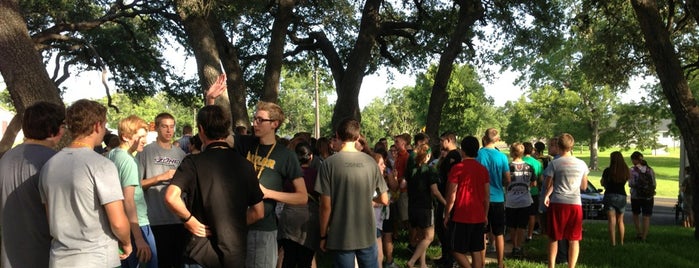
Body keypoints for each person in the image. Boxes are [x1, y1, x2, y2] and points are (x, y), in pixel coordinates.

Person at [164, 105, 265, 267]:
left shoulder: (193, 162)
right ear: (227, 129)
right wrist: (232, 224)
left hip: (200, 252)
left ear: (201, 130)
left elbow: (171, 196)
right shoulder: (245, 165)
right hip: (234, 252)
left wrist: (189, 220)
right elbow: (258, 212)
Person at [39, 99, 132, 266]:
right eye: (104, 125)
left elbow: (49, 217)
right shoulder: (102, 165)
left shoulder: (49, 165)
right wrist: (127, 242)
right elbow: (118, 221)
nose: (104, 131)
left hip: (59, 259)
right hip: (97, 258)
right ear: (97, 126)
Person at [315, 118, 389, 268]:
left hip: (340, 234)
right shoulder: (370, 162)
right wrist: (368, 201)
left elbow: (325, 206)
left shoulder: (328, 164)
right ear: (357, 137)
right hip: (367, 233)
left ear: (337, 135)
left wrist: (323, 235)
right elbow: (384, 198)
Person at [0, 102, 65, 268]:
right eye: (62, 125)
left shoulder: (6, 158)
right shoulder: (55, 161)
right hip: (44, 255)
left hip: (9, 253)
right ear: (53, 130)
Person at [137, 112, 187, 268]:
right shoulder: (145, 152)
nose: (169, 130)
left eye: (172, 127)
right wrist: (159, 178)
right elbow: (136, 185)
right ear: (156, 127)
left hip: (178, 219)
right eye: (164, 126)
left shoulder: (182, 155)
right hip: (155, 220)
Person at [107, 115, 157, 267]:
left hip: (119, 225)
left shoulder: (113, 154)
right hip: (138, 226)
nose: (145, 140)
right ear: (125, 136)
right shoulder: (128, 161)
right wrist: (139, 239)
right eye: (141, 136)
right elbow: (128, 200)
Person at [543, 133, 588, 268]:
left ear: (558, 146)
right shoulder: (581, 164)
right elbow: (584, 186)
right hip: (575, 204)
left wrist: (548, 193)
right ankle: (571, 266)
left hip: (558, 202)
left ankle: (551, 265)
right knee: (574, 239)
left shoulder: (554, 163)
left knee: (554, 237)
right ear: (572, 145)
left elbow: (547, 184)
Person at [444, 136, 489, 268]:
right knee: (476, 250)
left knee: (455, 249)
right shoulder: (483, 169)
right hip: (479, 214)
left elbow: (451, 194)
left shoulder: (458, 168)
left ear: (462, 151)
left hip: (461, 214)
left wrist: (447, 213)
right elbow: (487, 196)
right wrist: (485, 214)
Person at [279, 142, 321, 268]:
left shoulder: (288, 174)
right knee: (306, 259)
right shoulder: (316, 175)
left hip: (289, 215)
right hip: (309, 217)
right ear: (311, 157)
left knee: (288, 257)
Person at [405, 144, 447, 268]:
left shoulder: (412, 171)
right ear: (428, 156)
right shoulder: (429, 170)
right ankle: (412, 261)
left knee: (420, 236)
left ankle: (422, 264)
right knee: (429, 237)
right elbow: (435, 191)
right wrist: (445, 202)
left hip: (412, 207)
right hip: (425, 208)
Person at [475, 128, 510, 268]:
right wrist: (501, 183)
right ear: (497, 140)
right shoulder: (502, 156)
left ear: (484, 138)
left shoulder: (479, 154)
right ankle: (500, 263)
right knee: (499, 232)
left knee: (482, 233)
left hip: (481, 198)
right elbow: (507, 179)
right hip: (498, 198)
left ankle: (482, 263)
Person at [434, 132, 462, 268]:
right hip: (441, 195)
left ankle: (451, 259)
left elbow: (452, 178)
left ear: (449, 140)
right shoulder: (446, 156)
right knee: (440, 228)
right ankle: (445, 256)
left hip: (446, 196)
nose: (440, 143)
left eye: (442, 140)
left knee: (446, 229)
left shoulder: (454, 155)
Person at [505, 143, 535, 257]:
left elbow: (505, 182)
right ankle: (519, 246)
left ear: (512, 152)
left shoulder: (508, 166)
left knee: (512, 225)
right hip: (525, 200)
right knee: (522, 226)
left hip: (511, 200)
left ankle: (514, 246)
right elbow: (534, 183)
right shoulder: (529, 167)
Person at [600, 151, 630, 246]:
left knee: (611, 221)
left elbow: (603, 183)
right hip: (621, 195)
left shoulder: (608, 171)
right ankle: (621, 242)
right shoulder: (625, 170)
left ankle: (613, 243)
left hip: (609, 194)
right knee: (620, 220)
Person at [629, 151, 656, 242]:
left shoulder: (632, 170)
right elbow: (654, 183)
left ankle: (638, 233)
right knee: (646, 216)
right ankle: (644, 236)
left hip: (636, 196)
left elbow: (631, 183)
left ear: (634, 160)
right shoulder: (650, 169)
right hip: (648, 196)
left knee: (636, 214)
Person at [522, 142, 543, 242]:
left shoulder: (519, 161)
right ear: (532, 150)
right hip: (533, 192)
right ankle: (529, 235)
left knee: (520, 214)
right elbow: (541, 179)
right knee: (532, 215)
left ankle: (519, 235)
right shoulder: (537, 163)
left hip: (520, 192)